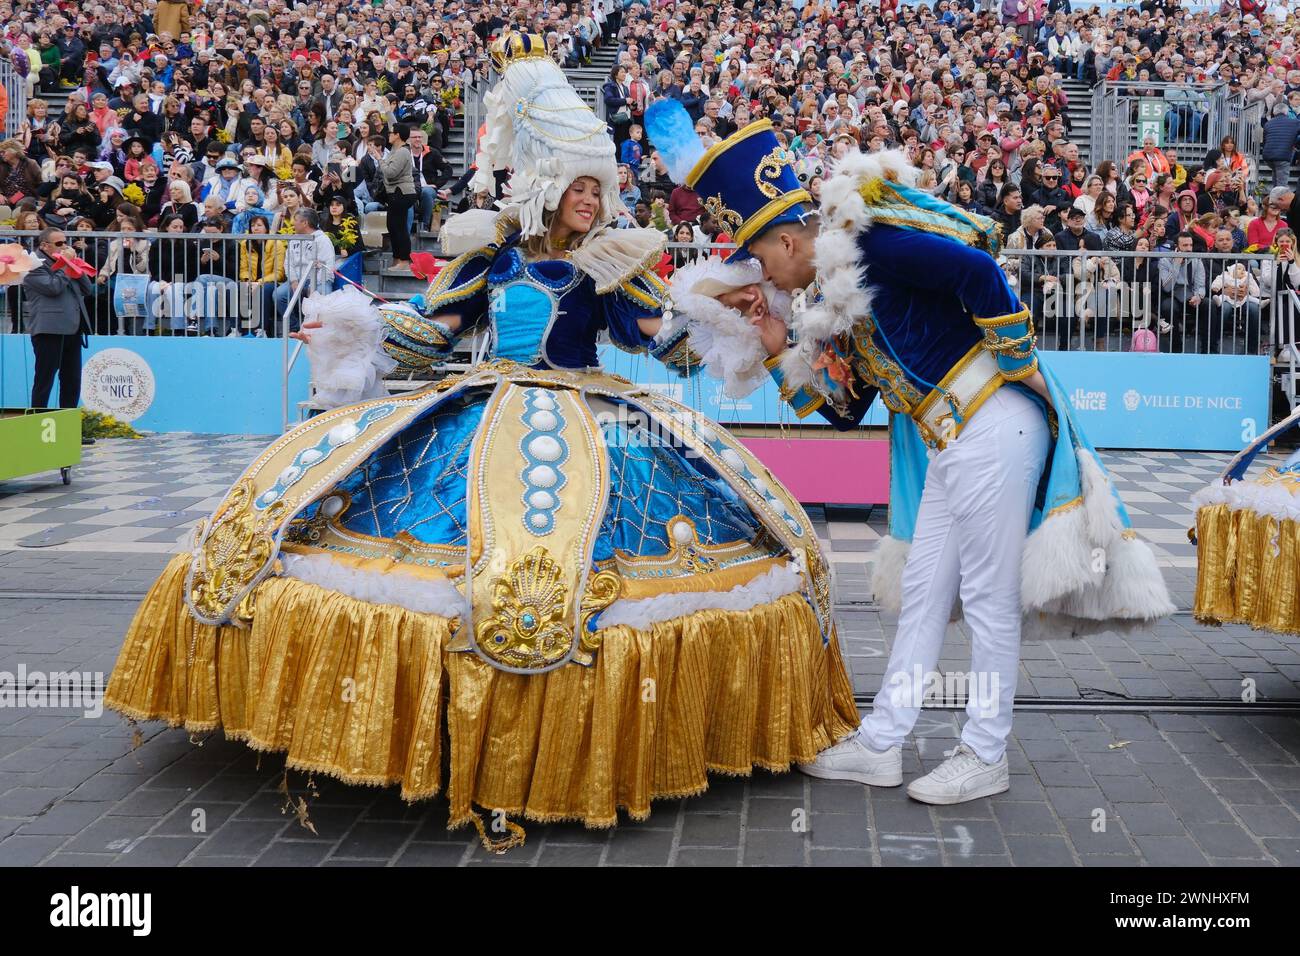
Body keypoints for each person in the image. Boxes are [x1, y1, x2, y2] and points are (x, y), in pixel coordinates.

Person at [104, 36, 856, 844]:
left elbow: (655, 339)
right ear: (543, 183)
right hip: (483, 402)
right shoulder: (490, 251)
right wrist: (356, 326)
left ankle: (532, 737)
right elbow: (433, 336)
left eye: (596, 188)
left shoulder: (613, 260)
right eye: (575, 186)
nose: (588, 202)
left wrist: (717, 316)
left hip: (586, 413)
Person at [642, 105, 1172, 804]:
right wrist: (776, 346)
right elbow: (842, 410)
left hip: (993, 423)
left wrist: (1020, 362)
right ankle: (884, 743)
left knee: (985, 597)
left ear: (788, 241)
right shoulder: (834, 293)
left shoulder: (872, 245)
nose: (765, 276)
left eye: (763, 258)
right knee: (923, 593)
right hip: (954, 443)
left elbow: (979, 271)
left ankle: (985, 752)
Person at [23, 227, 92, 435]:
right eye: (60, 244)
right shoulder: (34, 265)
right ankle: (37, 428)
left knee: (71, 381)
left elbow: (87, 288)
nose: (65, 247)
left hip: (72, 328)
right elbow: (53, 287)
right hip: (48, 330)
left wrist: (73, 265)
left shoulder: (63, 263)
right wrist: (65, 266)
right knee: (45, 380)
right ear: (45, 245)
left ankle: (68, 432)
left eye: (66, 242)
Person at [274, 208, 335, 333]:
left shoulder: (322, 240)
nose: (293, 223)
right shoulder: (294, 239)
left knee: (321, 296)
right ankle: (294, 327)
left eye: (295, 220)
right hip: (298, 279)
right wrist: (293, 281)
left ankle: (317, 332)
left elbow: (326, 267)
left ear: (305, 223)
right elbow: (288, 263)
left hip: (318, 280)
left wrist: (313, 286)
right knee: (279, 295)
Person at [380, 122, 416, 271]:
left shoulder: (402, 152)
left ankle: (404, 260)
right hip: (395, 193)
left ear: (398, 135)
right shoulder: (396, 150)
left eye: (391, 133)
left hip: (402, 193)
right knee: (392, 226)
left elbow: (390, 173)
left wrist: (379, 159)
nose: (388, 134)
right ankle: (396, 258)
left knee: (399, 227)